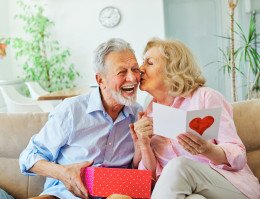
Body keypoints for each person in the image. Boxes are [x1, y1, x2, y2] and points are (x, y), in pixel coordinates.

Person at [130, 38, 260, 199]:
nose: (140, 69)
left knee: (179, 165)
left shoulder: (206, 97)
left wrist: (208, 150)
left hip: (230, 187)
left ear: (172, 68)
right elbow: (151, 182)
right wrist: (144, 144)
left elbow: (238, 156)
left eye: (149, 63)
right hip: (191, 192)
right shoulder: (148, 113)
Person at [19, 38, 142, 199]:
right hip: (62, 195)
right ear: (100, 80)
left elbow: (140, 169)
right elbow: (28, 157)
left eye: (135, 69)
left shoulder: (138, 114)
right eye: (122, 72)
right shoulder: (71, 110)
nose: (133, 78)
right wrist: (63, 173)